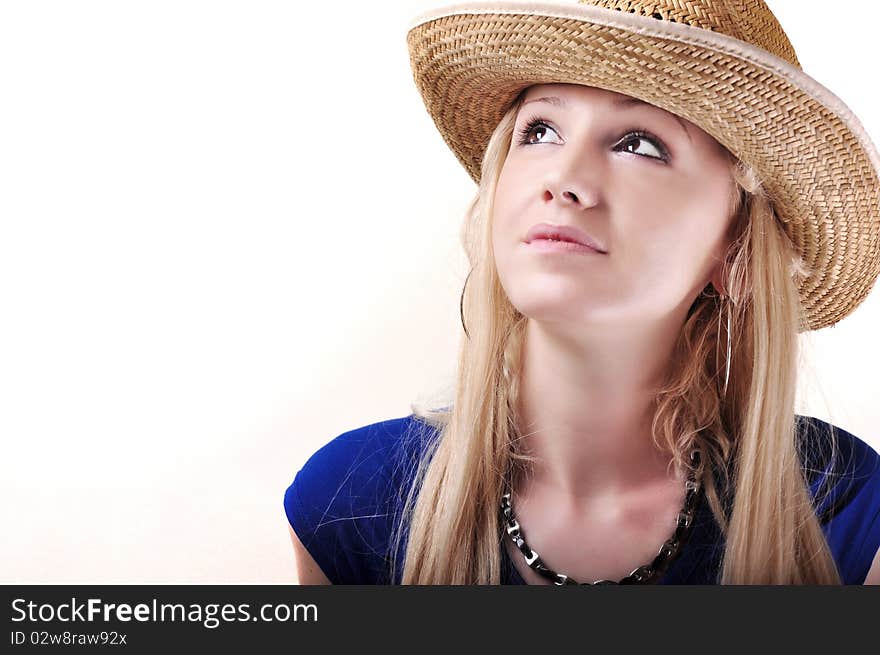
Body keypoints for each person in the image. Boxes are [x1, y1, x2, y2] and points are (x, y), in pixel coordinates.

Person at [284, 0, 880, 584]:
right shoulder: (352, 507)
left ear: (736, 249)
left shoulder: (844, 509)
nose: (562, 180)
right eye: (539, 129)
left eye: (640, 144)